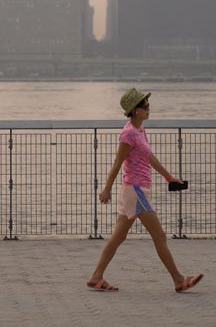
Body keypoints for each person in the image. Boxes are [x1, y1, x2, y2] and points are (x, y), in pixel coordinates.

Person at [86, 88, 203, 293]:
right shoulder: (128, 133)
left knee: (118, 237)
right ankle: (178, 279)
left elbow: (149, 158)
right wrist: (106, 189)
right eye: (145, 106)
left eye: (148, 104)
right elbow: (117, 163)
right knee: (159, 236)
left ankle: (96, 276)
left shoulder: (140, 131)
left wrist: (168, 176)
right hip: (135, 190)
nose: (149, 108)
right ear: (135, 111)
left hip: (136, 190)